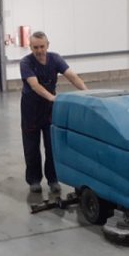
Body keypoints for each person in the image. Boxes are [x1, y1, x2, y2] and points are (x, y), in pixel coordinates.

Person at [20, 31, 87, 193]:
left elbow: (72, 76)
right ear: (30, 47)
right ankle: (34, 180)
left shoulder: (55, 59)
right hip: (31, 110)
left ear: (47, 45)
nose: (39, 50)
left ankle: (53, 179)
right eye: (35, 47)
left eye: (42, 46)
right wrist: (52, 97)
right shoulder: (26, 62)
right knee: (31, 148)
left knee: (52, 146)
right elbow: (34, 85)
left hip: (50, 110)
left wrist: (87, 93)